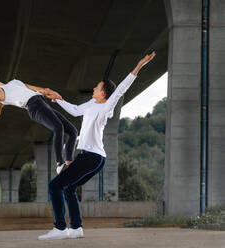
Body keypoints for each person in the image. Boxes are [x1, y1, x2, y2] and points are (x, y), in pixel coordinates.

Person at [38, 51, 156, 240]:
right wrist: (56, 98)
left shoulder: (105, 107)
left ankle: (60, 228)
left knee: (55, 186)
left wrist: (139, 65)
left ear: (104, 93)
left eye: (97, 87)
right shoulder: (92, 103)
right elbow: (75, 111)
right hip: (92, 157)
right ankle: (76, 228)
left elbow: (122, 89)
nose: (93, 88)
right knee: (68, 188)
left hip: (92, 157)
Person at [0, 76, 77, 171]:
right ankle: (59, 164)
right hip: (34, 107)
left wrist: (51, 93)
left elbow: (38, 89)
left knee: (72, 131)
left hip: (42, 103)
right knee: (58, 127)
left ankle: (69, 162)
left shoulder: (15, 82)